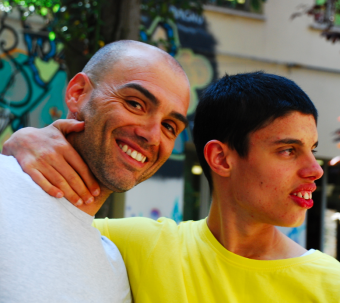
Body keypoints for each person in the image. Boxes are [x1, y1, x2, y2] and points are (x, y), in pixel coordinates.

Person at [4, 72, 340, 302]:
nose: (314, 170)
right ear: (221, 159)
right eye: (288, 151)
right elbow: (56, 218)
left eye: (311, 150)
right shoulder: (142, 246)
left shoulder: (331, 284)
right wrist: (20, 143)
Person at [0, 40, 190, 302]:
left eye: (170, 126)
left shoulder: (118, 272)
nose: (153, 136)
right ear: (78, 93)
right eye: (135, 104)